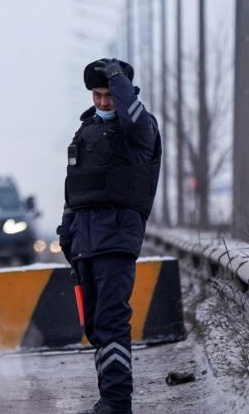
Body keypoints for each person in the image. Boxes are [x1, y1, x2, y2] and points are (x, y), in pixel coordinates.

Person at [56, 58, 161, 414]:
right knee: (95, 325)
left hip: (116, 238)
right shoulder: (85, 131)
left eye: (110, 95)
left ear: (124, 93)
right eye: (97, 95)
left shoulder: (139, 129)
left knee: (112, 320)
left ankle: (118, 404)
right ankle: (109, 401)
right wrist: (66, 230)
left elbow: (132, 116)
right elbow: (75, 189)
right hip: (84, 241)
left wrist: (119, 80)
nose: (103, 102)